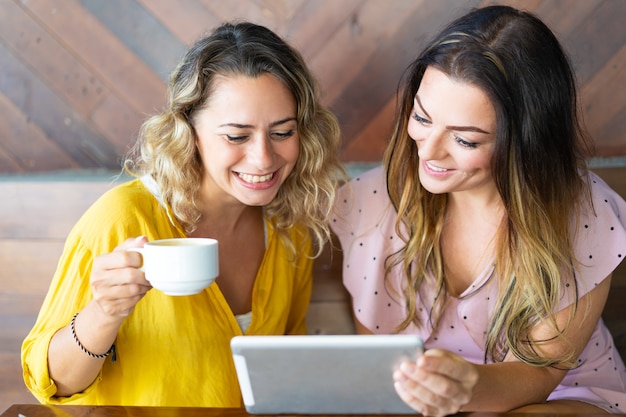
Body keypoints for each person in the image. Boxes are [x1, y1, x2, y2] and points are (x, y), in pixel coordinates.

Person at [22, 21, 344, 407]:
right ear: (189, 131)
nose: (263, 158)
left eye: (282, 132)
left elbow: (285, 368)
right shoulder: (123, 218)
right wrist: (104, 312)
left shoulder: (289, 229)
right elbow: (52, 384)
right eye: (236, 135)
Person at [331, 5, 626, 416]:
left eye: (465, 140)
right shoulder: (368, 203)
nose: (429, 151)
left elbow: (540, 376)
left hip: (563, 397)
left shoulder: (584, 213)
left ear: (524, 144)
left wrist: (467, 389)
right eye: (421, 117)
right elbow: (382, 363)